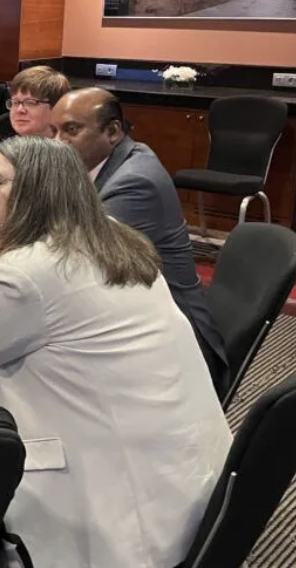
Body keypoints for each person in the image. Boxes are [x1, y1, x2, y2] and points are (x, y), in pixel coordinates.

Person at [0, 137, 231, 568]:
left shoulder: (29, 273)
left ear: (39, 194)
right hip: (189, 477)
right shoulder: (113, 235)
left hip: (112, 498)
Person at [53, 88, 228, 394]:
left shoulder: (134, 182)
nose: (57, 143)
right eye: (54, 131)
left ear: (113, 131)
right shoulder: (106, 162)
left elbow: (78, 262)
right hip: (129, 313)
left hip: (175, 344)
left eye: (71, 130)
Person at [0, 65, 71, 149]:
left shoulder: (71, 145)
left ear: (56, 107)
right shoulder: (2, 126)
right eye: (15, 102)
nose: (20, 110)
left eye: (30, 103)